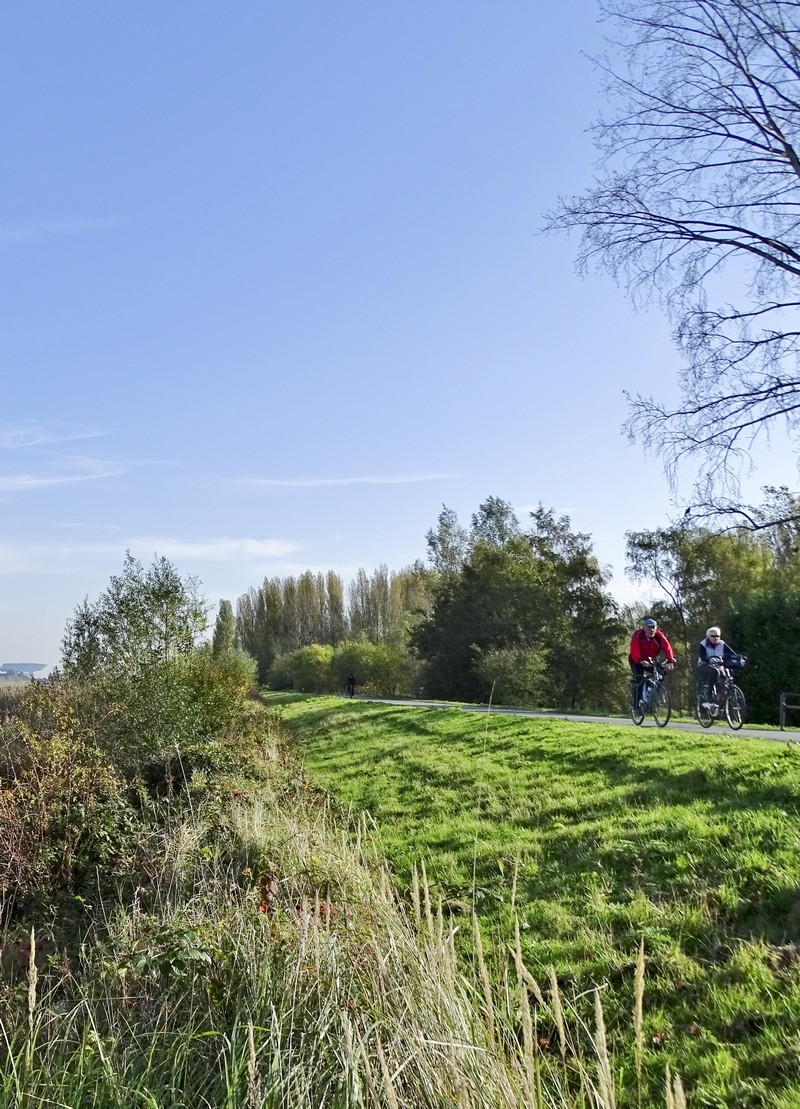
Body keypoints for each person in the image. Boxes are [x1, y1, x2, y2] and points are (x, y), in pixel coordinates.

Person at [629, 618, 676, 708]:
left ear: (656, 627)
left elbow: (667, 647)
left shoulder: (659, 636)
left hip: (650, 660)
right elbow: (634, 649)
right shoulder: (638, 635)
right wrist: (640, 660)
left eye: (653, 627)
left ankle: (655, 697)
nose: (651, 629)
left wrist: (670, 660)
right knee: (639, 680)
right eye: (649, 627)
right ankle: (636, 706)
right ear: (644, 627)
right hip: (636, 660)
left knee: (661, 674)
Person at [697, 626, 743, 705]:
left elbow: (732, 653)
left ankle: (719, 698)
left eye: (717, 636)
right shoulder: (703, 644)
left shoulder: (722, 643)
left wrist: (740, 658)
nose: (716, 638)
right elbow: (703, 656)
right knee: (715, 671)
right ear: (708, 637)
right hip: (704, 664)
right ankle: (709, 695)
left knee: (725, 677)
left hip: (718, 665)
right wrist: (709, 660)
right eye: (713, 636)